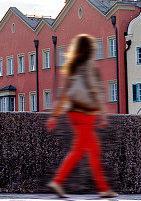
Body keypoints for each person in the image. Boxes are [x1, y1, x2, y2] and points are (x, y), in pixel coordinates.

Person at [46, 33, 117, 199]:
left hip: (72, 113)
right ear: (90, 49)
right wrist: (103, 113)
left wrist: (55, 115)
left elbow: (63, 94)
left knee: (92, 150)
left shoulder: (72, 66)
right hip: (86, 113)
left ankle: (103, 188)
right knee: (79, 151)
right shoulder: (89, 66)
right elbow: (94, 89)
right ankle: (58, 180)